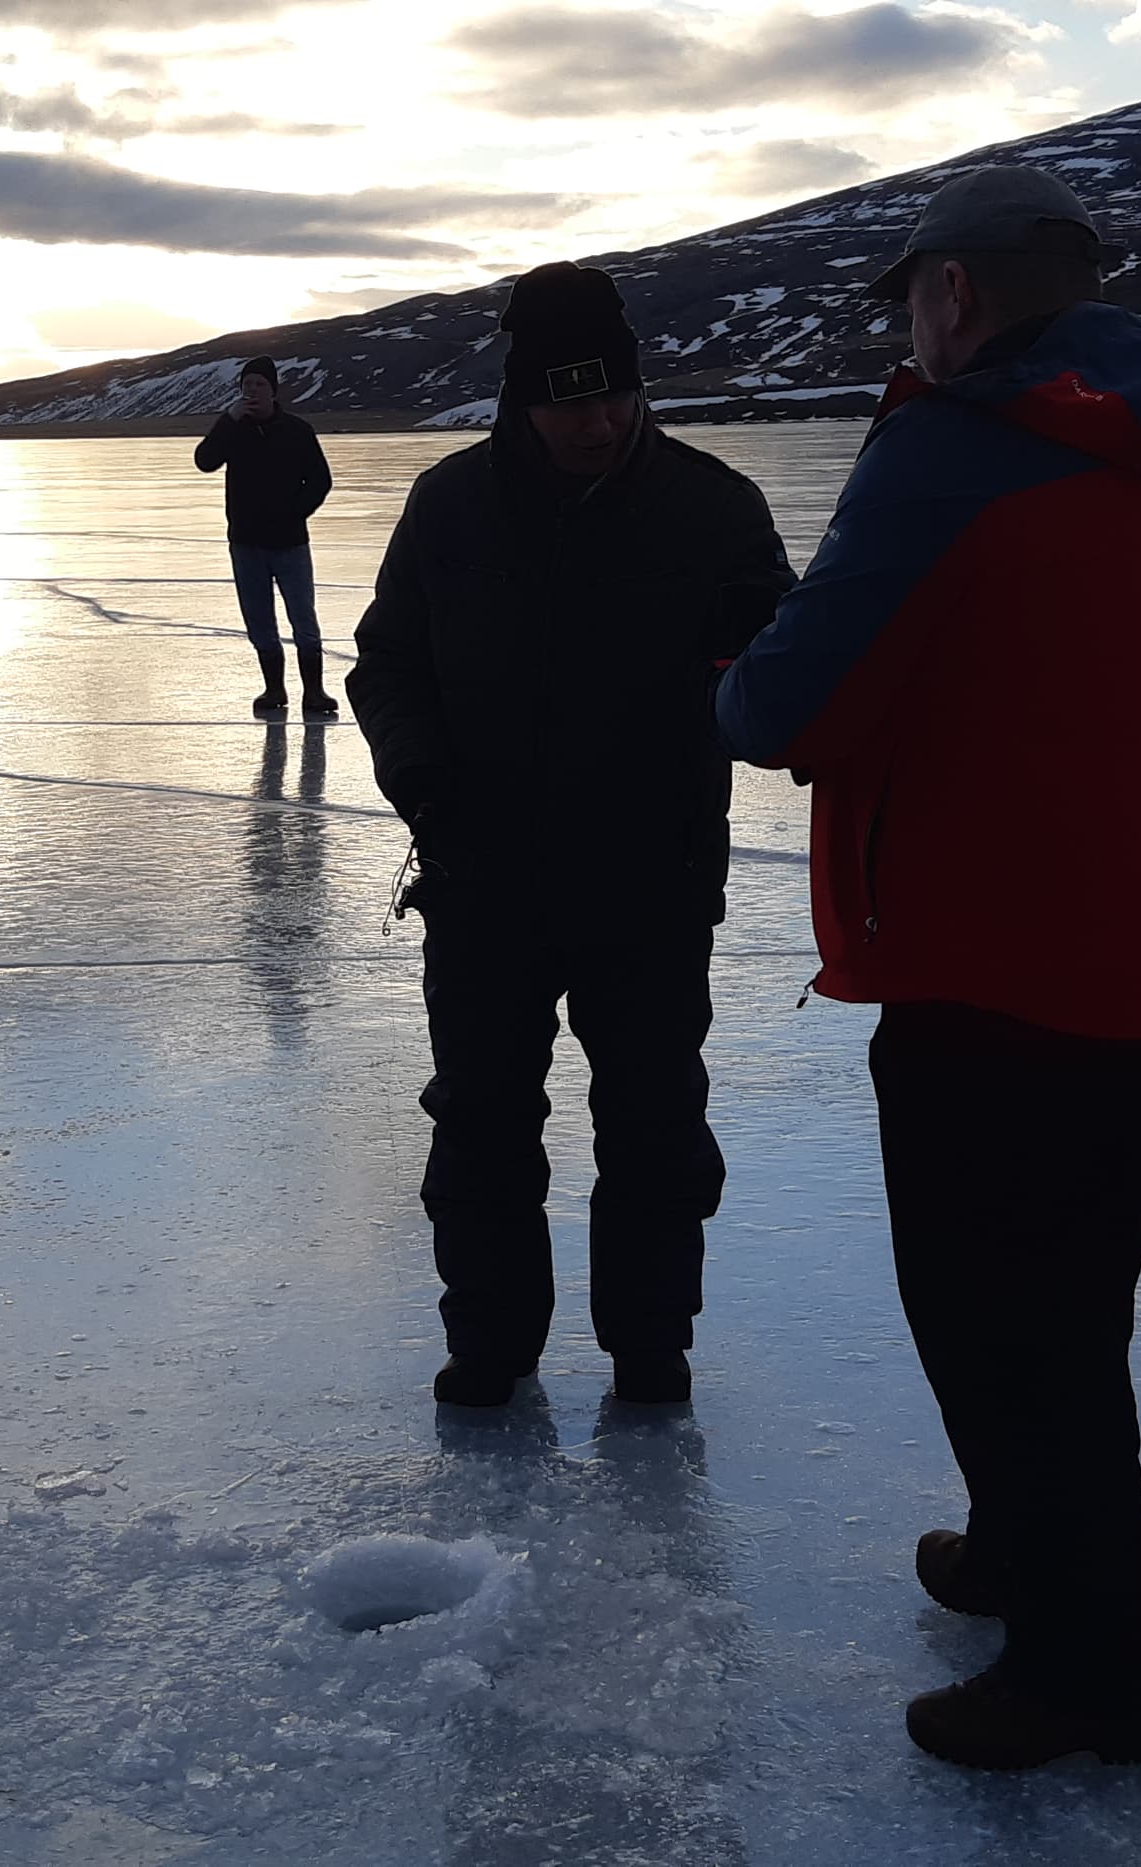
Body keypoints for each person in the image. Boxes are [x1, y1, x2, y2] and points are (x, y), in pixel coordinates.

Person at [714, 166, 1141, 1771]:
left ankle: (1097, 1660)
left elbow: (787, 711)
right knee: (1076, 1289)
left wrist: (729, 676)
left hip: (986, 950)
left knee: (997, 1311)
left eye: (911, 297)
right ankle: (1037, 1547)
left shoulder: (953, 452)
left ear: (951, 292)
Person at [348, 262, 796, 1411]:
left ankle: (652, 1350)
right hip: (480, 877)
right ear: (522, 400)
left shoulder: (714, 507)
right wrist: (421, 777)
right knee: (481, 1120)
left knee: (654, 1125)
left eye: (615, 398)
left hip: (653, 880)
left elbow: (775, 676)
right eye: (568, 402)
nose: (596, 422)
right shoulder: (449, 505)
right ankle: (490, 1345)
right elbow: (388, 663)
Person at [195, 357, 336, 719]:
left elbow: (320, 480)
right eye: (246, 385)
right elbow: (205, 460)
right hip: (246, 543)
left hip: (290, 542)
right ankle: (274, 689)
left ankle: (314, 692)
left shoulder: (297, 431)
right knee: (258, 618)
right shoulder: (234, 430)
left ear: (273, 389)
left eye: (259, 385)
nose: (251, 391)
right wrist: (227, 422)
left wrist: (295, 512)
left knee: (302, 616)